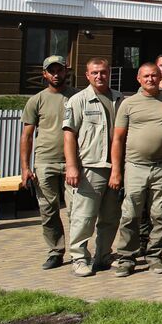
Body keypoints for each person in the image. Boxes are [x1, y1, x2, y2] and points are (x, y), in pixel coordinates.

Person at [110, 62, 162, 276]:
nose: (151, 79)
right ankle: (126, 258)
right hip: (135, 167)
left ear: (161, 78)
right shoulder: (128, 103)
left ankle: (155, 256)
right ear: (139, 79)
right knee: (130, 214)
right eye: (146, 76)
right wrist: (116, 170)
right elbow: (118, 139)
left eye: (154, 76)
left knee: (160, 214)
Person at [62, 57, 119, 276]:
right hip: (89, 167)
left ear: (109, 72)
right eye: (94, 73)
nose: (99, 76)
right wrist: (71, 166)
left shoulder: (118, 99)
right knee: (84, 216)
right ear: (87, 75)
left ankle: (103, 256)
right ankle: (78, 258)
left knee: (110, 217)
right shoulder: (78, 100)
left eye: (103, 72)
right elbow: (69, 136)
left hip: (112, 168)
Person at [19, 55, 70, 270]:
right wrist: (25, 168)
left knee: (77, 210)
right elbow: (27, 136)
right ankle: (55, 251)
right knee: (48, 210)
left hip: (72, 163)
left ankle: (79, 251)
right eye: (52, 71)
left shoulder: (76, 97)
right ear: (45, 74)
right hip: (45, 161)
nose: (56, 74)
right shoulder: (36, 100)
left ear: (66, 72)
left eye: (60, 70)